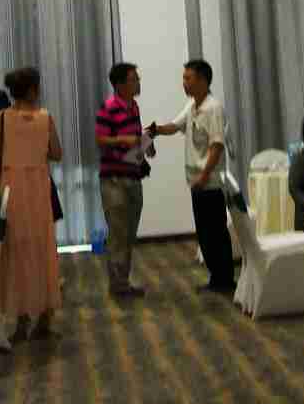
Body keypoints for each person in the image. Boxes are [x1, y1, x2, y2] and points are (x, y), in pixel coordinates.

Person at [0, 66, 62, 339]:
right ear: (33, 89)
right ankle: (45, 316)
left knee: (15, 251)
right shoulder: (45, 117)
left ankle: (20, 319)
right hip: (38, 186)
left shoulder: (3, 118)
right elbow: (56, 153)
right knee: (43, 247)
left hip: (11, 187)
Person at [154, 59, 234, 294]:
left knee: (215, 231)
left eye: (188, 78)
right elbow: (174, 126)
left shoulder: (213, 108)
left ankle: (225, 279)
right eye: (184, 78)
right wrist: (155, 130)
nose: (184, 83)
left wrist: (205, 174)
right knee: (205, 232)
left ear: (202, 80)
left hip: (210, 181)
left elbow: (217, 145)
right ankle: (216, 278)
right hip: (196, 181)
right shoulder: (192, 106)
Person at [96, 61, 151, 299]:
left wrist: (145, 145)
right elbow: (100, 140)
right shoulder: (107, 108)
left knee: (129, 233)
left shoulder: (134, 107)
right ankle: (118, 285)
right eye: (134, 79)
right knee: (118, 233)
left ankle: (123, 281)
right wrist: (122, 139)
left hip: (133, 175)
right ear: (119, 85)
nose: (138, 83)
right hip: (114, 180)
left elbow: (135, 139)